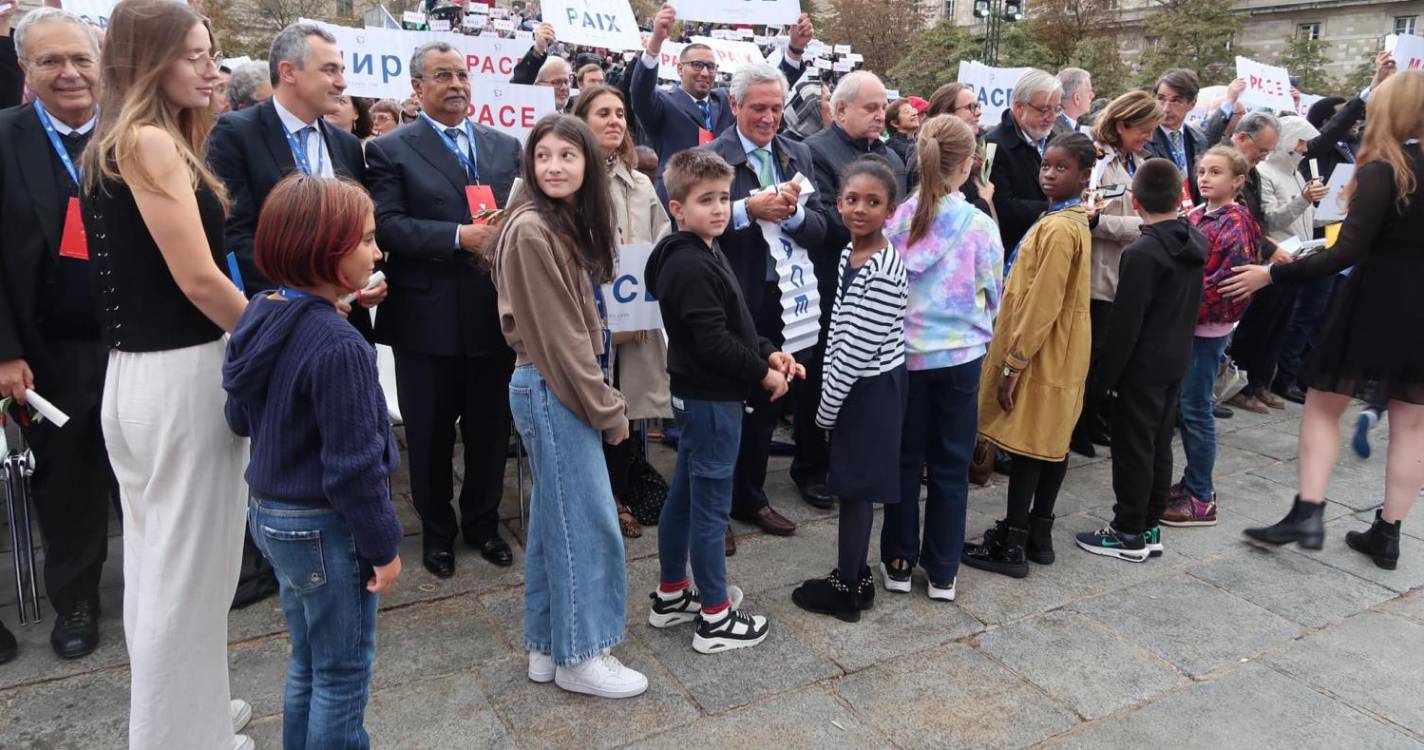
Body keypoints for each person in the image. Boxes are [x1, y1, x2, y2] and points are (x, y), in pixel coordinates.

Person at [80, 0, 252, 745]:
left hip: (140, 376)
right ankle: (176, 734)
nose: (212, 69)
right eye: (193, 55)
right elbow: (200, 280)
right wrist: (279, 337)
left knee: (163, 565)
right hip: (180, 377)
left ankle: (192, 712)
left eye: (211, 53)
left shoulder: (119, 140)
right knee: (189, 572)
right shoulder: (149, 142)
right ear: (147, 60)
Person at [223, 175, 401, 750]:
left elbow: (238, 416)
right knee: (342, 674)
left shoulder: (262, 311)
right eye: (366, 240)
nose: (378, 252)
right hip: (324, 526)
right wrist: (384, 547)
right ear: (326, 250)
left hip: (271, 515)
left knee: (309, 659)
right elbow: (354, 469)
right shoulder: (340, 346)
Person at [1223, 71, 1424, 571]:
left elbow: (1345, 251)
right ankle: (1388, 533)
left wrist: (1272, 273)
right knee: (1412, 423)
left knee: (1322, 405)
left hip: (1374, 302)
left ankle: (1307, 512)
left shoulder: (1386, 170)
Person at [492, 114, 647, 698]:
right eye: (543, 156)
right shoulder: (532, 229)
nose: (553, 166)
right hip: (554, 387)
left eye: (566, 155)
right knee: (587, 525)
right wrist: (610, 413)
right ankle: (583, 653)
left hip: (553, 385)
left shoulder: (554, 224)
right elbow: (561, 343)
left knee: (555, 524)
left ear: (588, 164)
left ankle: (549, 645)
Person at [365, 40, 520, 578]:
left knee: (489, 430)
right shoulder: (390, 149)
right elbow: (387, 226)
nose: (456, 84)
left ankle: (483, 523)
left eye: (462, 75)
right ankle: (437, 531)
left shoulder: (504, 147)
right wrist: (458, 236)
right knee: (430, 436)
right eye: (442, 76)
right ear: (418, 87)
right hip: (426, 320)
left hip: (492, 314)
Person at [645, 148, 802, 653]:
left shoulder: (705, 250)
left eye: (721, 198)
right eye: (704, 200)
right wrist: (763, 374)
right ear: (677, 208)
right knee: (711, 508)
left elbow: (736, 322)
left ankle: (672, 594)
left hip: (705, 398)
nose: (717, 209)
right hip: (711, 401)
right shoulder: (688, 263)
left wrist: (769, 351)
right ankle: (715, 616)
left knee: (685, 499)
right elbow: (712, 342)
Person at [0, 5, 113, 663]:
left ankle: (163, 587)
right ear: (25, 68)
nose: (69, 73)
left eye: (80, 58)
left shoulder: (135, 129)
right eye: (51, 60)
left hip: (140, 337)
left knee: (150, 468)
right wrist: (6, 351)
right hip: (50, 349)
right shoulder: (4, 138)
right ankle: (76, 599)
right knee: (67, 480)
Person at [881, 115, 1004, 600]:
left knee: (904, 461)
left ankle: (898, 559)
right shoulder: (979, 225)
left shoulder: (896, 221)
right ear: (969, 164)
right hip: (959, 357)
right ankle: (943, 569)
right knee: (952, 466)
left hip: (905, 357)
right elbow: (992, 292)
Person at [704, 63, 830, 535]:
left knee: (769, 399)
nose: (769, 117)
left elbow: (821, 226)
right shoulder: (712, 157)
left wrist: (793, 216)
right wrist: (746, 210)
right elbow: (691, 222)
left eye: (776, 108)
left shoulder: (798, 153)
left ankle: (750, 498)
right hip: (732, 297)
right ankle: (712, 509)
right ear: (735, 105)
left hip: (786, 299)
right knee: (723, 406)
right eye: (758, 108)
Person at [963, 134, 1096, 579]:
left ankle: (1014, 541)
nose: (1049, 175)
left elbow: (1043, 301)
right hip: (1059, 347)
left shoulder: (1059, 227)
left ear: (1084, 175)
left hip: (1042, 351)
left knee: (1031, 445)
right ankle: (1039, 534)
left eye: (1061, 168)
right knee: (1051, 443)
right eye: (1046, 165)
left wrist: (1014, 363)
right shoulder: (1065, 219)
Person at [791, 156, 906, 621]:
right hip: (852, 382)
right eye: (852, 199)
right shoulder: (848, 254)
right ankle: (855, 574)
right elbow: (838, 324)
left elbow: (858, 348)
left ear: (890, 210)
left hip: (869, 387)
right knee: (853, 485)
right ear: (838, 203)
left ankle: (847, 587)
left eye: (873, 202)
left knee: (857, 488)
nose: (860, 209)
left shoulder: (884, 269)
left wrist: (826, 409)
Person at [1076, 158, 1207, 562]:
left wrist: (1102, 381)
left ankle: (1128, 531)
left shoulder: (1142, 252)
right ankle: (1149, 525)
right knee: (1159, 444)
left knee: (1133, 448)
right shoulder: (1193, 238)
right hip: (1176, 358)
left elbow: (1125, 324)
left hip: (1142, 366)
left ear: (1134, 201)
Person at [207, 23, 374, 308]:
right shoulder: (235, 134)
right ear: (288, 72)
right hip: (279, 311)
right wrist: (304, 298)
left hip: (344, 316)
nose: (342, 82)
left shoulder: (346, 145)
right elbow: (234, 234)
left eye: (342, 70)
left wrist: (359, 285)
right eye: (330, 70)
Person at [800, 70, 908, 507]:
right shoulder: (816, 151)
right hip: (831, 280)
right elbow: (824, 218)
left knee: (861, 379)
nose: (881, 115)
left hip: (876, 277)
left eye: (883, 107)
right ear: (840, 110)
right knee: (822, 373)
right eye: (871, 107)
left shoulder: (890, 155)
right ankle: (811, 466)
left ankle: (848, 462)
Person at [571, 84, 673, 538]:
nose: (615, 120)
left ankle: (617, 491)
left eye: (620, 113)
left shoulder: (640, 182)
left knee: (623, 406)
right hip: (581, 318)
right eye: (603, 113)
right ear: (580, 121)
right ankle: (594, 497)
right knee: (589, 403)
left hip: (631, 321)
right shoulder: (567, 177)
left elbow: (662, 239)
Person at [1165, 146, 1260, 528]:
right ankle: (1192, 483)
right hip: (1187, 324)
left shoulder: (1234, 223)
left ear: (1237, 181)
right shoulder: (1198, 213)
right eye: (1202, 170)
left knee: (1196, 409)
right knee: (1188, 406)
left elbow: (1224, 286)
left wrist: (1173, 301)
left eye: (1215, 172)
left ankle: (1201, 496)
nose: (1205, 178)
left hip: (1204, 330)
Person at [632, 2, 811, 203]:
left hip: (729, 201)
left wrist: (795, 49)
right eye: (697, 65)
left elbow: (767, 88)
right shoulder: (663, 103)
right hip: (678, 201)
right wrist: (656, 42)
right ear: (680, 69)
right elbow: (640, 92)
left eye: (711, 66)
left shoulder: (726, 99)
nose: (705, 72)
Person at [1071, 91, 1164, 458]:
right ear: (1122, 124)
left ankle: (1094, 416)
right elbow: (1089, 218)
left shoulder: (1138, 161)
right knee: (1092, 358)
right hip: (1098, 274)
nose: (1149, 137)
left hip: (1127, 274)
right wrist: (1143, 226)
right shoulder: (1096, 160)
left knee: (1113, 357)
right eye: (1144, 129)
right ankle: (1077, 425)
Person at [1215, 112, 1293, 415]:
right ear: (1241, 137)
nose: (1263, 157)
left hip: (1255, 254)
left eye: (1268, 151)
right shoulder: (1222, 164)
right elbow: (1233, 215)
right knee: (1239, 330)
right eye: (1260, 149)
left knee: (1269, 321)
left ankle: (1256, 382)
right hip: (1230, 259)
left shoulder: (1253, 172)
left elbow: (1256, 218)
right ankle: (1234, 386)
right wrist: (1269, 247)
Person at [1257, 116, 1328, 405]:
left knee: (1289, 323)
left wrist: (1335, 207)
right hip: (1278, 260)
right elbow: (1272, 218)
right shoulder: (1264, 172)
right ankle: (1256, 383)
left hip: (1300, 257)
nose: (1304, 149)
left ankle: (1269, 381)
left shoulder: (1297, 173)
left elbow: (1306, 218)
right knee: (1269, 325)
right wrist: (1304, 199)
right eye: (1300, 141)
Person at [986, 68, 1062, 255]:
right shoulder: (994, 145)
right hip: (1018, 253)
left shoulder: (1057, 141)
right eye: (1044, 110)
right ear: (1020, 107)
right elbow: (1003, 208)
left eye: (1056, 109)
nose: (1051, 117)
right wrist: (1058, 208)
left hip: (1052, 245)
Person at [923, 81, 994, 218]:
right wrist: (984, 202)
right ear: (946, 113)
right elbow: (940, 219)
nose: (979, 113)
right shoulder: (929, 156)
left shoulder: (979, 150)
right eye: (971, 107)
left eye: (978, 106)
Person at [1145, 68, 1208, 206]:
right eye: (1161, 99)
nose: (1166, 108)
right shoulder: (1144, 139)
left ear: (1192, 104)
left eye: (1176, 101)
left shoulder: (1199, 139)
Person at [1051, 67, 1093, 140]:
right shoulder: (1053, 132)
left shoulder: (1066, 126)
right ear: (1077, 98)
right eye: (1089, 92)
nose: (1092, 96)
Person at [885, 97, 920, 165]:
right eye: (907, 112)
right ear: (895, 123)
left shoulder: (918, 140)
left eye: (913, 110)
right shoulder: (893, 147)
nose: (914, 114)